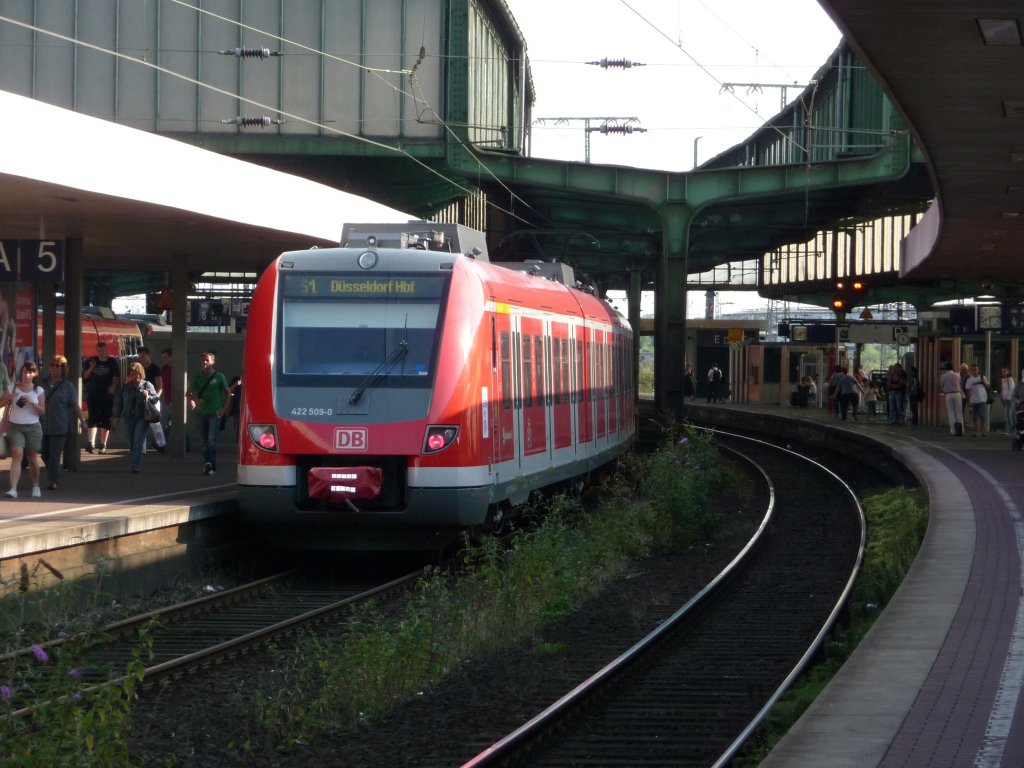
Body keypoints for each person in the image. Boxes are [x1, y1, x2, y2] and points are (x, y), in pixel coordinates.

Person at [41, 355, 87, 491]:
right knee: (45, 454)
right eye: (52, 365)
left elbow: (75, 405)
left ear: (63, 369)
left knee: (55, 454)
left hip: (60, 425)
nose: (54, 368)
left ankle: (52, 481)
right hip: (44, 424)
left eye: (57, 366)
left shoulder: (67, 386)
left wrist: (82, 421)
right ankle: (55, 473)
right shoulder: (42, 383)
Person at [186, 351, 232, 476]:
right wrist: (195, 400)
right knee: (204, 440)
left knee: (211, 439)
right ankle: (210, 464)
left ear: (213, 362)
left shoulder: (219, 376)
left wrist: (223, 410)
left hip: (214, 412)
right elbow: (188, 393)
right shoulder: (197, 377)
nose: (205, 362)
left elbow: (228, 394)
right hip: (201, 412)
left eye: (207, 360)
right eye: (203, 360)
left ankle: (208, 463)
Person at [5, 361, 45, 498]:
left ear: (34, 374)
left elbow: (42, 411)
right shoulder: (12, 388)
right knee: (17, 453)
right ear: (21, 372)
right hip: (15, 426)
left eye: (30, 372)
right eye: (25, 372)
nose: (27, 375)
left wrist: (33, 403)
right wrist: (8, 399)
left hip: (33, 427)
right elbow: (1, 403)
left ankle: (36, 485)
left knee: (32, 458)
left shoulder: (38, 390)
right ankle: (13, 489)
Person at [114, 362, 157, 473]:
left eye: (136, 374)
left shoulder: (147, 385)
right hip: (128, 416)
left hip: (142, 416)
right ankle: (136, 459)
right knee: (131, 441)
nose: (134, 376)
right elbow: (120, 403)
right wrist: (117, 417)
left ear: (140, 374)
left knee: (138, 439)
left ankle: (135, 464)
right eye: (132, 374)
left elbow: (155, 398)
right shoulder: (126, 387)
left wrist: (148, 395)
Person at [83, 340, 119, 454]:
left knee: (105, 419)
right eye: (99, 351)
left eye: (103, 350)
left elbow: (116, 377)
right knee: (92, 418)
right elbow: (85, 376)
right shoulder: (91, 361)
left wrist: (113, 387)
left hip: (106, 395)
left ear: (106, 350)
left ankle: (103, 444)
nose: (101, 353)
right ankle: (91, 443)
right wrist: (91, 367)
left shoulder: (112, 362)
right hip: (93, 394)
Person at [137, 346, 164, 453]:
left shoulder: (155, 368)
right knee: (141, 425)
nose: (141, 359)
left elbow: (160, 386)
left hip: (153, 400)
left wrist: (155, 398)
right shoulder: (140, 369)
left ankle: (161, 444)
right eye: (139, 357)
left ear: (148, 356)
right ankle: (142, 449)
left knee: (155, 424)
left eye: (143, 356)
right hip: (142, 399)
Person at [964, 363, 990, 437]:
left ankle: (983, 431)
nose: (975, 371)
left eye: (976, 370)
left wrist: (983, 381)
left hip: (982, 399)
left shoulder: (983, 377)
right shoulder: (969, 380)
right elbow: (968, 391)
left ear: (978, 370)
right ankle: (976, 431)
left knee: (983, 416)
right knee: (975, 417)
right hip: (974, 400)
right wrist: (969, 401)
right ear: (971, 371)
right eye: (973, 370)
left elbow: (988, 386)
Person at [941, 361, 965, 436]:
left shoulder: (943, 376)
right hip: (957, 394)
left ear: (946, 368)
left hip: (948, 394)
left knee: (951, 412)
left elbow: (941, 385)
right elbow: (960, 383)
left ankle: (953, 430)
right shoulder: (958, 375)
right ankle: (961, 430)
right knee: (959, 412)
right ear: (953, 367)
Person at [1000, 367, 1015, 435]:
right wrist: (1002, 396)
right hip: (1004, 398)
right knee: (1006, 415)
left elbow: (1012, 389)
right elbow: (1003, 388)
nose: (1003, 373)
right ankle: (1008, 430)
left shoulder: (1010, 379)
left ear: (1008, 372)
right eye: (1002, 371)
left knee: (1008, 415)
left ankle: (1010, 430)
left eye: (1004, 371)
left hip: (1009, 399)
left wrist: (1010, 397)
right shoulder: (1003, 379)